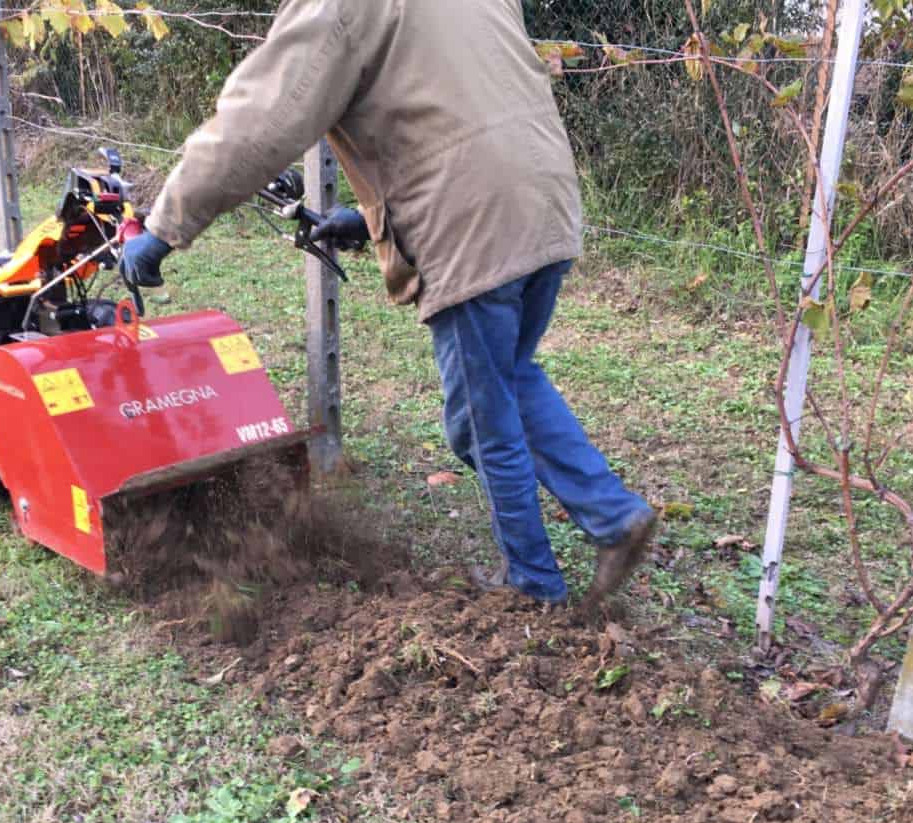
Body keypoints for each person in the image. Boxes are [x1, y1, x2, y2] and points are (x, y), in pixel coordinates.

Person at [122, 0, 656, 608]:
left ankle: (535, 584)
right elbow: (450, 101)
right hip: (542, 198)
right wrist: (377, 220)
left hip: (471, 221)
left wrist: (164, 227)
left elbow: (257, 123)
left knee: (482, 424)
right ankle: (612, 516)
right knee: (509, 378)